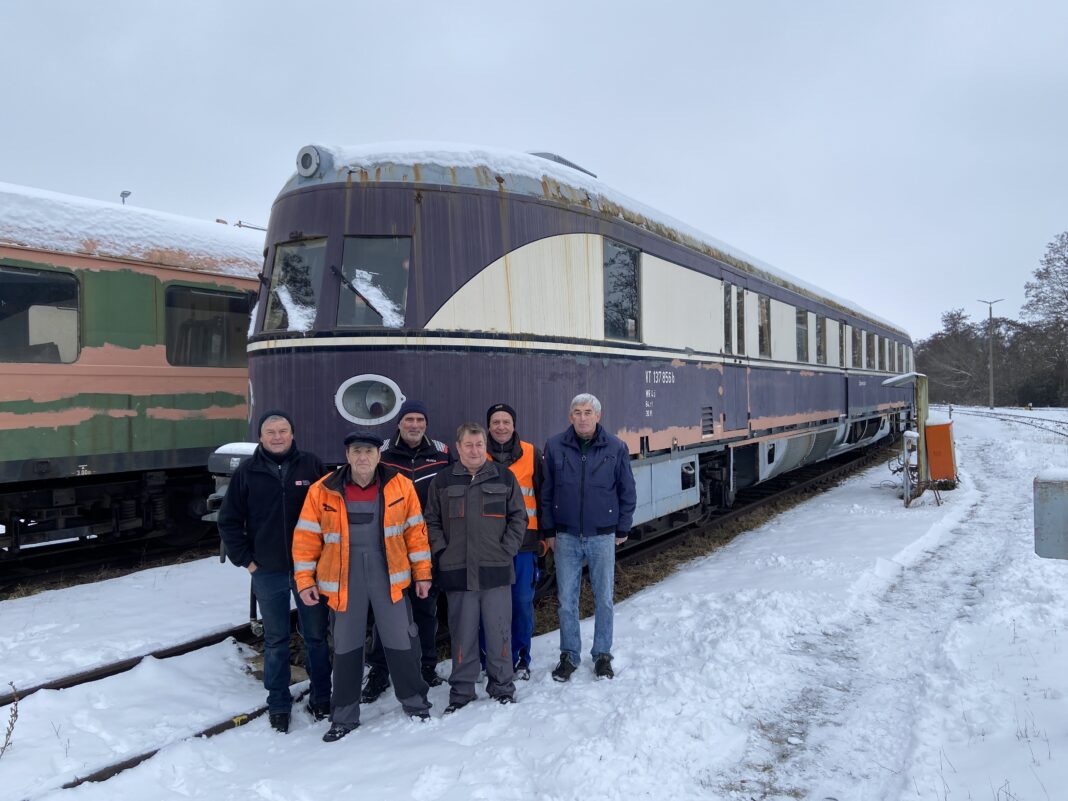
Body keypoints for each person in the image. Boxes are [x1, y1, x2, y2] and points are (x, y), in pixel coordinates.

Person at [293, 430, 433, 742]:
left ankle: (415, 703)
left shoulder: (400, 486)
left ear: (378, 455)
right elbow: (305, 540)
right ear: (347, 455)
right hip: (344, 580)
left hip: (389, 575)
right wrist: (304, 581)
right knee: (345, 647)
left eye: (368, 451)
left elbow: (416, 535)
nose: (363, 458)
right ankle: (343, 716)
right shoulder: (323, 490)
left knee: (401, 640)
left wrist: (422, 574)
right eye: (356, 451)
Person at [217, 410, 330, 734]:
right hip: (268, 572)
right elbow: (229, 522)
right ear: (261, 437)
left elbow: (329, 513)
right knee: (276, 641)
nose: (277, 436)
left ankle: (322, 697)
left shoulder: (311, 466)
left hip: (308, 570)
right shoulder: (247, 473)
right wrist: (248, 562)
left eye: (283, 430)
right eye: (271, 432)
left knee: (316, 638)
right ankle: (278, 705)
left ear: (292, 434)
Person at [424, 422, 527, 712]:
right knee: (463, 635)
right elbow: (431, 520)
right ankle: (461, 692)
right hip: (457, 571)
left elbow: (519, 517)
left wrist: (506, 550)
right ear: (458, 448)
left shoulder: (504, 477)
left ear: (485, 446)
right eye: (468, 445)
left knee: (498, 633)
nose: (474, 450)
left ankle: (502, 686)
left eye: (479, 444)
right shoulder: (443, 481)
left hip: (496, 571)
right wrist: (442, 552)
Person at [541, 393, 636, 681]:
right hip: (566, 536)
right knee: (566, 601)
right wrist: (549, 530)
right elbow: (546, 493)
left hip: (602, 536)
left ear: (598, 415)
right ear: (570, 417)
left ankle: (602, 655)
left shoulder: (616, 447)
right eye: (577, 412)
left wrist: (622, 528)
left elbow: (627, 492)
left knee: (604, 599)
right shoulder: (555, 446)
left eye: (587, 412)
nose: (582, 417)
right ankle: (569, 655)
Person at [362, 399, 452, 702]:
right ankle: (379, 670)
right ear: (399, 423)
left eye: (420, 420)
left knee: (427, 610)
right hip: (390, 546)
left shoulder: (441, 454)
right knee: (387, 611)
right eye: (409, 419)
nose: (414, 425)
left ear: (426, 424)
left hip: (427, 545)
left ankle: (427, 666)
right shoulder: (383, 455)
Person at [484, 402, 545, 679]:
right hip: (487, 545)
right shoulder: (476, 453)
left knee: (521, 602)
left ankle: (521, 658)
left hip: (524, 543)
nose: (501, 427)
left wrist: (546, 536)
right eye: (495, 422)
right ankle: (489, 660)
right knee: (489, 605)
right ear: (488, 426)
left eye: (506, 421)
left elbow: (544, 497)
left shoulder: (532, 454)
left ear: (514, 425)